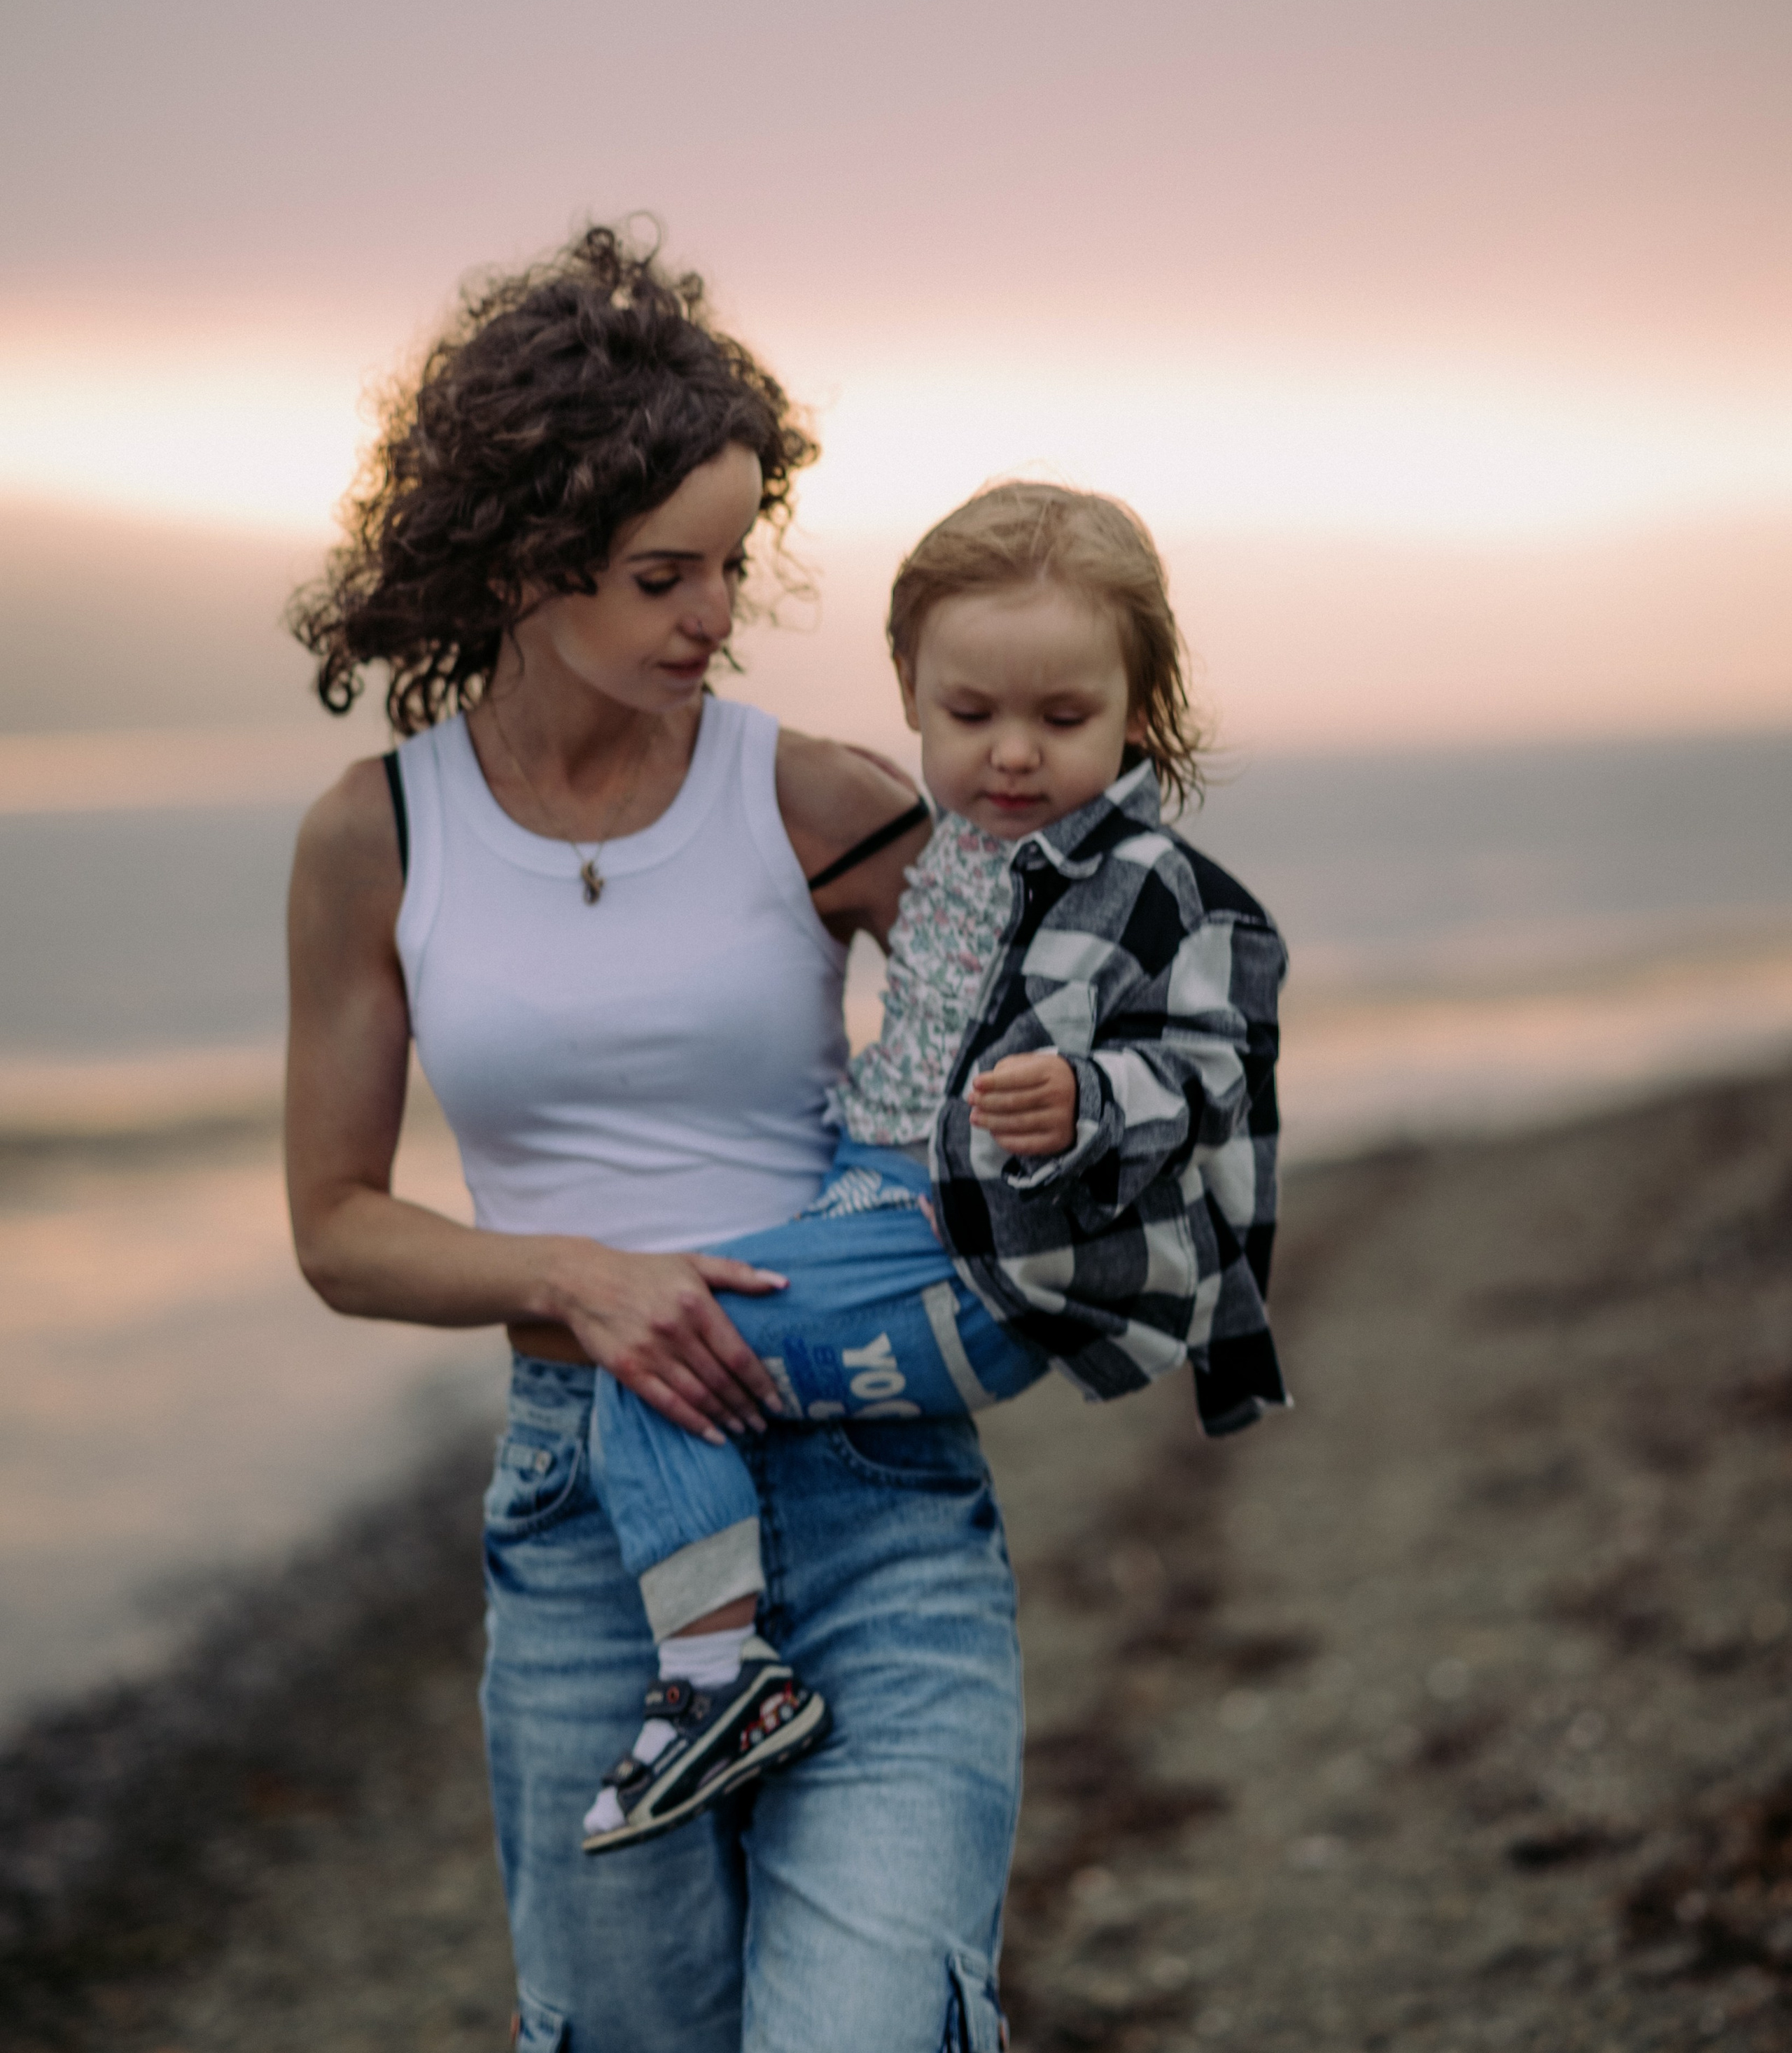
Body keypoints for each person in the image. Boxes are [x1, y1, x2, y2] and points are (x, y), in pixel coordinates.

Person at [284, 225, 1023, 2052]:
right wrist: (577, 1278)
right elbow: (337, 1225)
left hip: (866, 1486)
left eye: (733, 562)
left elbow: (1037, 1024)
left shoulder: (817, 800)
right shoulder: (379, 835)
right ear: (528, 558)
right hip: (580, 1516)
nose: (715, 614)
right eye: (661, 573)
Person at [579, 479, 1289, 1851]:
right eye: (969, 716)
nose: (1011, 754)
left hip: (978, 1252)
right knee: (684, 1311)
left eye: (1062, 719)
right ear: (907, 688)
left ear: (1136, 708)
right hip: (882, 1192)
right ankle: (763, 1616)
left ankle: (723, 1681)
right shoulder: (956, 849)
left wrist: (1089, 1094)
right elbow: (913, 1053)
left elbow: (1215, 1078)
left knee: (652, 1341)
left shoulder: (1155, 886)